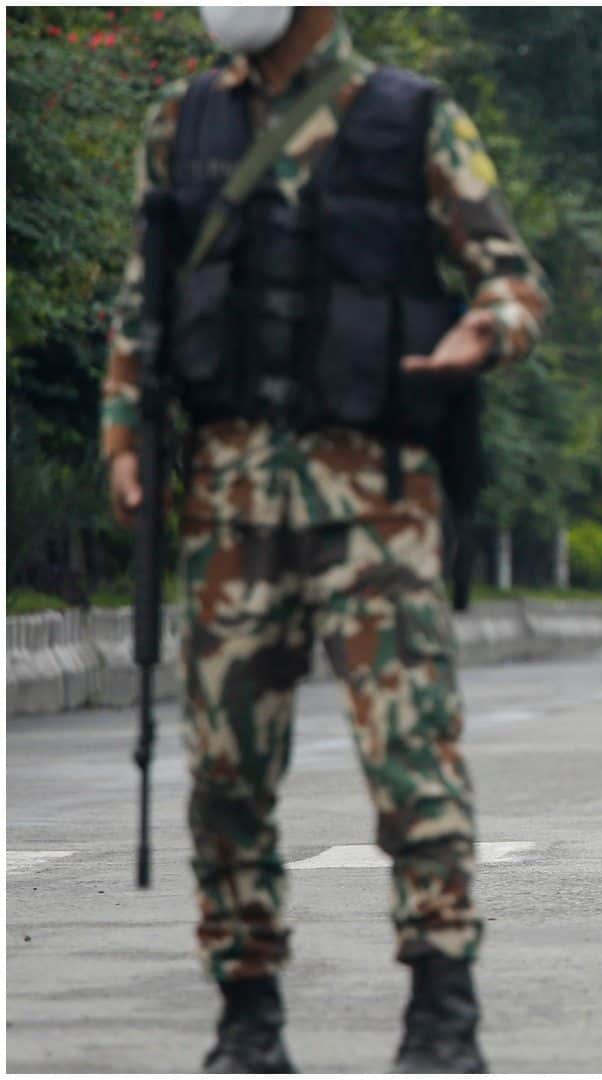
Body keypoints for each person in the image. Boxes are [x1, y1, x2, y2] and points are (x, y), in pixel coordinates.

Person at [101, 6, 548, 1070]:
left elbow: (513, 279)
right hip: (225, 506)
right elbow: (143, 302)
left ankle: (442, 1008)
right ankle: (246, 1010)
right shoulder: (183, 120)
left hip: (375, 501)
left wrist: (486, 331)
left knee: (410, 760)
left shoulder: (411, 118)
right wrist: (122, 434)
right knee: (225, 772)